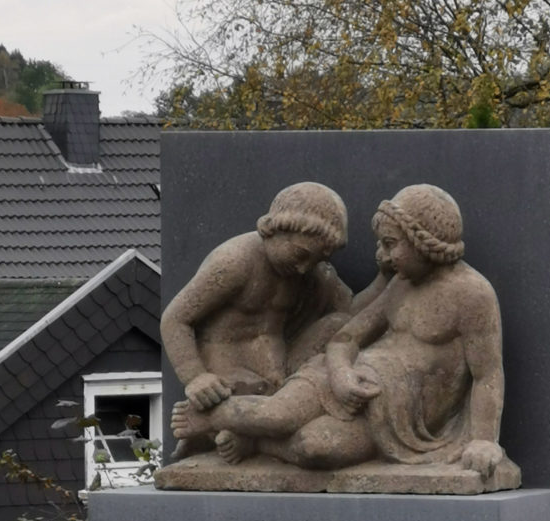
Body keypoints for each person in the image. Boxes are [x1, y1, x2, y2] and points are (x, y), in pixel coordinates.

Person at [172, 184, 517, 481]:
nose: (382, 255)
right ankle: (206, 418)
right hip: (346, 378)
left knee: (315, 448)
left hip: (396, 415)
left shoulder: (473, 294)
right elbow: (346, 337)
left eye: (390, 243)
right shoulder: (401, 285)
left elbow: (487, 372)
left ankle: (251, 440)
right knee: (278, 415)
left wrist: (485, 439)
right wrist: (340, 374)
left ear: (422, 239)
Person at [159, 182, 353, 456]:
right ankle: (221, 426)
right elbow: (175, 318)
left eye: (316, 260)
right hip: (229, 375)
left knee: (339, 325)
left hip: (279, 372)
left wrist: (387, 283)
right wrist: (196, 377)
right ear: (275, 230)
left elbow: (352, 310)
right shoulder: (234, 262)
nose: (303, 268)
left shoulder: (311, 273)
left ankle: (246, 436)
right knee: (259, 403)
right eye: (301, 255)